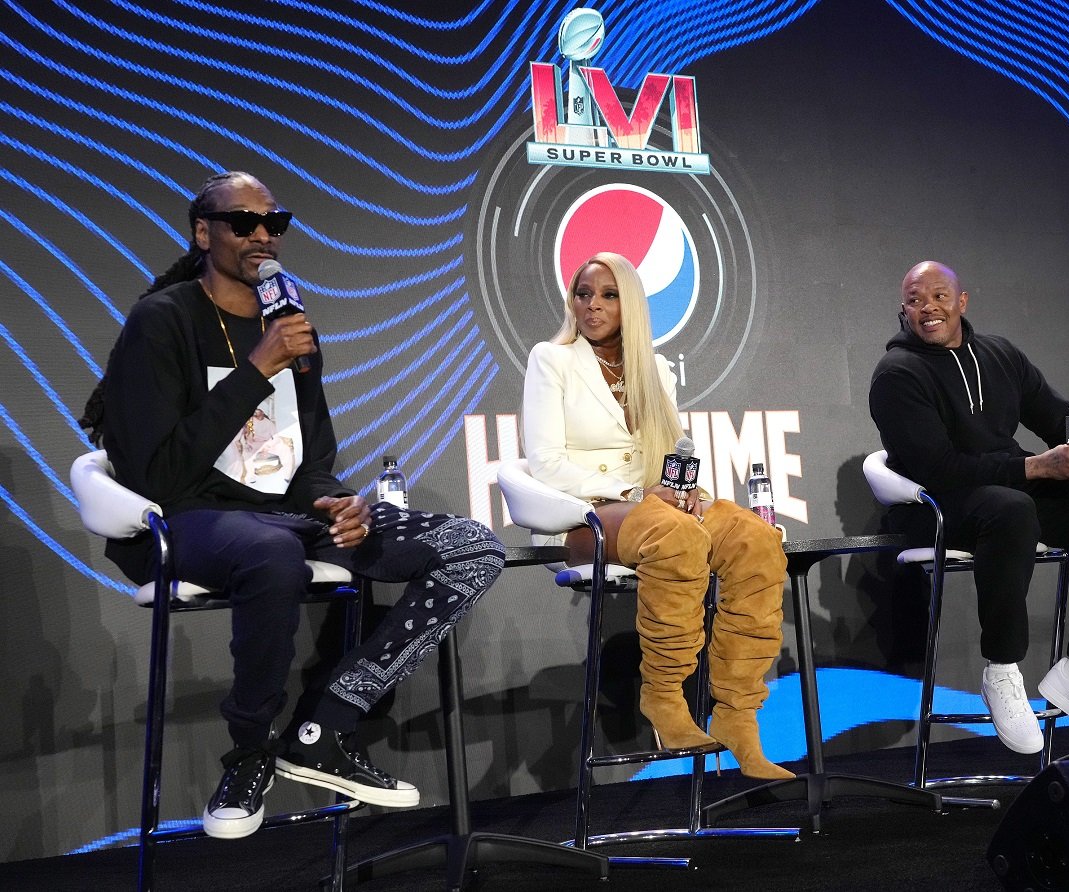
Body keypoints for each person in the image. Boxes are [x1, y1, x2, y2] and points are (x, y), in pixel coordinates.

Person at [78, 171, 505, 840]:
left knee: (471, 546)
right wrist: (258, 368)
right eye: (242, 222)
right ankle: (249, 749)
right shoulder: (162, 322)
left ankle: (322, 724)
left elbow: (308, 463)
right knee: (271, 552)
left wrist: (336, 502)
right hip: (190, 517)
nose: (261, 236)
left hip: (288, 517)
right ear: (203, 232)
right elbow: (156, 470)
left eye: (273, 223)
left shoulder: (292, 328)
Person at [521, 251, 793, 780]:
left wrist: (683, 489)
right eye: (582, 293)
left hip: (653, 504)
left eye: (607, 294)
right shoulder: (551, 360)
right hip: (585, 514)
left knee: (755, 540)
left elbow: (671, 451)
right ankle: (665, 698)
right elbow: (546, 464)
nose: (591, 305)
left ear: (632, 304)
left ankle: (738, 715)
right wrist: (637, 491)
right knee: (675, 536)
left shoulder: (655, 368)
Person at [869, 260, 1069, 755]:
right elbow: (938, 469)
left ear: (962, 302)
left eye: (939, 297)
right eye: (916, 301)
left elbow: (1061, 416)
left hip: (1005, 493)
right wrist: (1035, 469)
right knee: (1011, 509)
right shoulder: (897, 374)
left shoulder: (999, 355)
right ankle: (1002, 672)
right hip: (935, 507)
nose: (929, 309)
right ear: (904, 310)